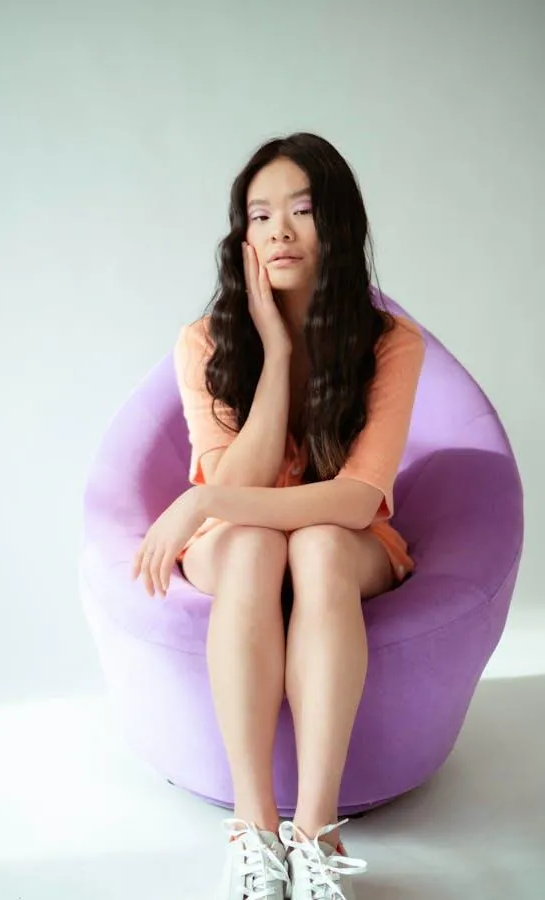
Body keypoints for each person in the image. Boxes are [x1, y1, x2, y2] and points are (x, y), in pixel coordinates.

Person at [132, 132, 425, 900]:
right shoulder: (204, 343)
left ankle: (316, 831)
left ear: (339, 223)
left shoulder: (393, 344)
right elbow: (244, 480)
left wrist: (202, 497)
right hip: (234, 542)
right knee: (259, 543)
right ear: (243, 236)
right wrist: (274, 348)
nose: (280, 232)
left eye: (301, 210)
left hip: (339, 536)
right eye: (260, 216)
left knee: (323, 543)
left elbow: (358, 499)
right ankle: (255, 829)